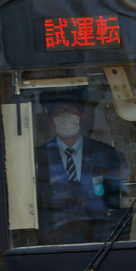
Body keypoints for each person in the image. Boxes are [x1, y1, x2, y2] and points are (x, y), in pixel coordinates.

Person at [35, 90, 127, 244]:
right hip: (54, 243)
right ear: (52, 120)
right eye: (59, 112)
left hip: (99, 243)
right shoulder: (38, 156)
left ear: (82, 117)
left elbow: (113, 202)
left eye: (71, 111)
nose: (65, 116)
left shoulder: (106, 154)